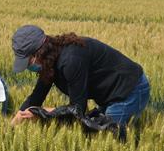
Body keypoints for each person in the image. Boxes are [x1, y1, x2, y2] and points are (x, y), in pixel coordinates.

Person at [10, 25, 150, 129]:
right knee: (92, 130)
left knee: (106, 136)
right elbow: (37, 96)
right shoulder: (50, 60)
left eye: (27, 61)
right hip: (110, 92)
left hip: (130, 90)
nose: (28, 67)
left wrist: (43, 112)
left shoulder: (70, 60)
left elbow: (78, 110)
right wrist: (16, 119)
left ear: (38, 54)